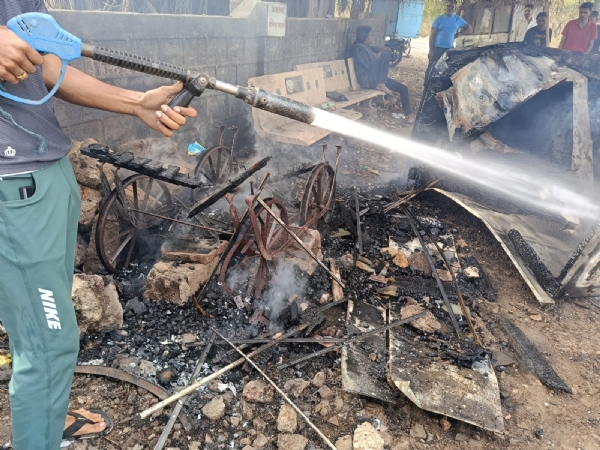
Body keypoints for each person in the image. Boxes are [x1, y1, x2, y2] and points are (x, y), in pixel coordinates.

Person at [0, 1, 197, 449]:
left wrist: (135, 103)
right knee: (47, 344)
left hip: (45, 171)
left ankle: (45, 414)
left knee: (38, 324)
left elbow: (46, 67)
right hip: (12, 186)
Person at [351, 26, 415, 123]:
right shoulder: (358, 49)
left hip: (376, 78)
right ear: (366, 38)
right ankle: (381, 83)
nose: (371, 37)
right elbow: (369, 67)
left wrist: (381, 49)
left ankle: (410, 114)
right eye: (370, 35)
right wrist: (380, 59)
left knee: (403, 88)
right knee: (385, 54)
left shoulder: (364, 46)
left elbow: (373, 48)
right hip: (368, 80)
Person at [426, 0, 472, 83]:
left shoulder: (457, 19)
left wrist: (458, 34)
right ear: (446, 6)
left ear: (454, 8)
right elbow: (432, 36)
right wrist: (431, 51)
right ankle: (426, 85)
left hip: (449, 49)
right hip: (437, 48)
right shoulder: (439, 19)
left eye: (452, 7)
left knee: (443, 69)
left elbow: (469, 28)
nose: (449, 8)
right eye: (448, 6)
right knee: (432, 68)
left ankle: (437, 88)